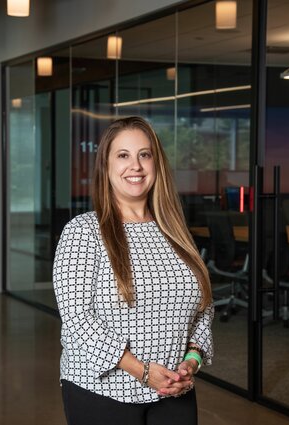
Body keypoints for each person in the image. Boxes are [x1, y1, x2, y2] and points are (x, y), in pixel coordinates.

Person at [53, 116, 214, 425]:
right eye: (123, 155)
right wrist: (140, 370)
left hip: (173, 389)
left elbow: (203, 305)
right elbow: (77, 319)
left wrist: (191, 361)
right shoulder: (84, 231)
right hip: (100, 391)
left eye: (145, 154)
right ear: (106, 165)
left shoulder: (174, 230)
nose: (136, 165)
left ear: (156, 163)